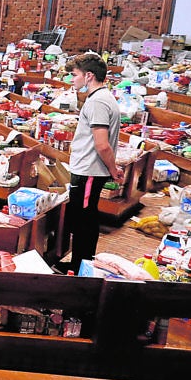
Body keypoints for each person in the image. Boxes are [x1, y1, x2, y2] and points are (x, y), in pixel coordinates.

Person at [64, 53, 123, 272]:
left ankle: (80, 268)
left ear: (88, 76)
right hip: (88, 169)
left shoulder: (97, 101)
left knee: (84, 222)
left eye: (74, 75)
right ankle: (79, 265)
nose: (72, 79)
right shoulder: (100, 98)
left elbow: (102, 144)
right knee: (83, 219)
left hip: (89, 170)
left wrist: (113, 168)